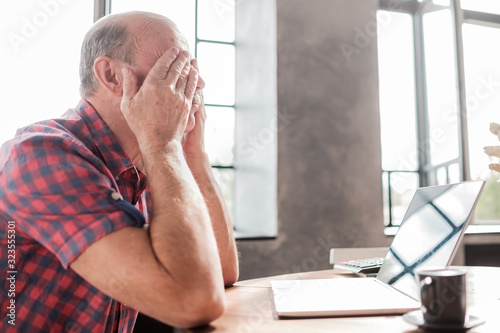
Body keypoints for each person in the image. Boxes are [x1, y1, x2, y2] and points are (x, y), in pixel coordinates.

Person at [0, 11, 239, 332]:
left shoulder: (149, 163)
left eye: (191, 70)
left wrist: (193, 153)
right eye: (172, 66)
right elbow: (193, 302)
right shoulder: (41, 153)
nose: (194, 84)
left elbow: (222, 272)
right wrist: (164, 142)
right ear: (111, 76)